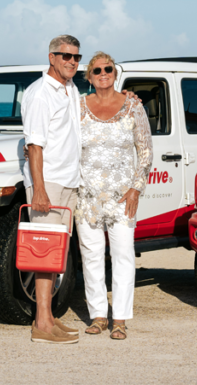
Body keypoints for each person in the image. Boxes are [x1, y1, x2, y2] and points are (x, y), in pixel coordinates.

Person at [76, 51, 152, 340]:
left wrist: (136, 189)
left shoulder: (133, 105)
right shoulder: (79, 106)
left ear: (115, 72)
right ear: (90, 77)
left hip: (123, 197)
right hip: (88, 195)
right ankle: (98, 315)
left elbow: (145, 151)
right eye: (97, 70)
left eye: (108, 68)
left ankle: (119, 318)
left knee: (122, 256)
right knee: (91, 256)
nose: (103, 73)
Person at [21, 34, 84, 344]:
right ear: (52, 57)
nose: (71, 61)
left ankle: (48, 316)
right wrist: (39, 190)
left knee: (56, 253)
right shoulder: (40, 94)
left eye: (76, 57)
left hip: (69, 181)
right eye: (65, 56)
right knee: (43, 252)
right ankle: (41, 323)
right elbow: (34, 146)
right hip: (50, 183)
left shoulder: (71, 90)